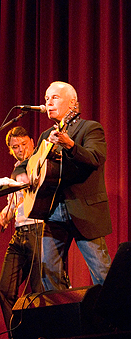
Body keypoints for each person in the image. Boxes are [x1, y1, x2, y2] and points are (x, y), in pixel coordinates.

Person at [13, 81, 112, 291]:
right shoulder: (45, 137)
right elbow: (24, 165)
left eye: (54, 97)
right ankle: (62, 319)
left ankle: (116, 320)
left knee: (101, 270)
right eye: (46, 99)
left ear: (72, 102)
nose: (48, 103)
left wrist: (70, 144)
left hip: (83, 210)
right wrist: (22, 175)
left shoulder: (90, 127)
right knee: (48, 272)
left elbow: (95, 158)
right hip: (52, 211)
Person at [0, 127, 43, 334]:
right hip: (19, 233)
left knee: (40, 291)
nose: (20, 150)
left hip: (39, 231)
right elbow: (12, 207)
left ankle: (45, 334)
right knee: (5, 289)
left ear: (32, 142)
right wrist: (3, 218)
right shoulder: (15, 171)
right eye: (15, 147)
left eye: (23, 145)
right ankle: (18, 335)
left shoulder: (40, 162)